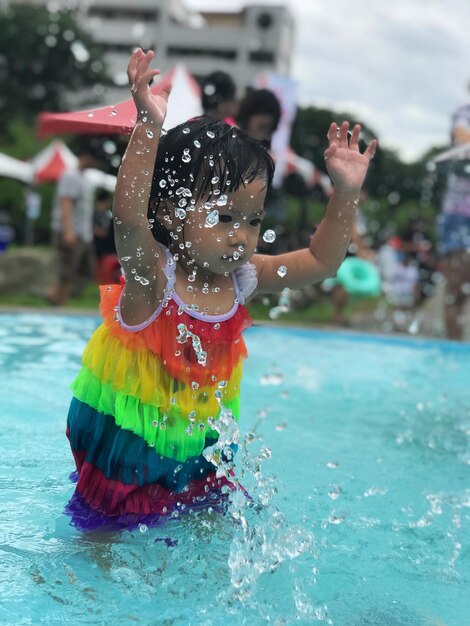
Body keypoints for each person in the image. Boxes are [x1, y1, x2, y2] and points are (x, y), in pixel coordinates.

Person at [65, 48, 376, 529]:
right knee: (109, 525)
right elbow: (127, 216)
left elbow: (321, 262)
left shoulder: (241, 278)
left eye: (252, 220)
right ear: (171, 213)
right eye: (224, 217)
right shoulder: (153, 277)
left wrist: (346, 193)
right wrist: (148, 126)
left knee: (215, 513)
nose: (241, 235)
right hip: (130, 435)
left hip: (196, 438)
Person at [47, 144, 97, 305]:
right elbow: (66, 203)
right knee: (66, 270)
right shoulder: (70, 176)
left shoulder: (85, 179)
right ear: (85, 157)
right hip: (71, 230)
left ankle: (59, 299)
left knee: (77, 269)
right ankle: (56, 299)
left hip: (82, 232)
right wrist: (68, 231)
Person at [436, 98, 470, 340]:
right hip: (461, 216)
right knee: (457, 289)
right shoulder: (464, 113)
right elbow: (462, 137)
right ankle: (454, 350)